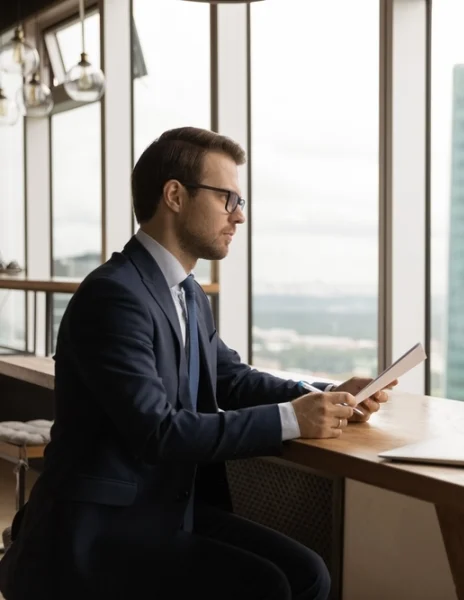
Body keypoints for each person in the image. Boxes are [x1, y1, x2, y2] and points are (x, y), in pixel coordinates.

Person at [0, 127, 394, 600]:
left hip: (163, 509)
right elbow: (158, 432)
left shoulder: (185, 292)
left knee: (308, 574)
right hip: (101, 530)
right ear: (175, 195)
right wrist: (292, 420)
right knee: (268, 586)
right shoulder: (115, 294)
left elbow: (229, 378)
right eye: (228, 198)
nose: (240, 216)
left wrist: (324, 394)